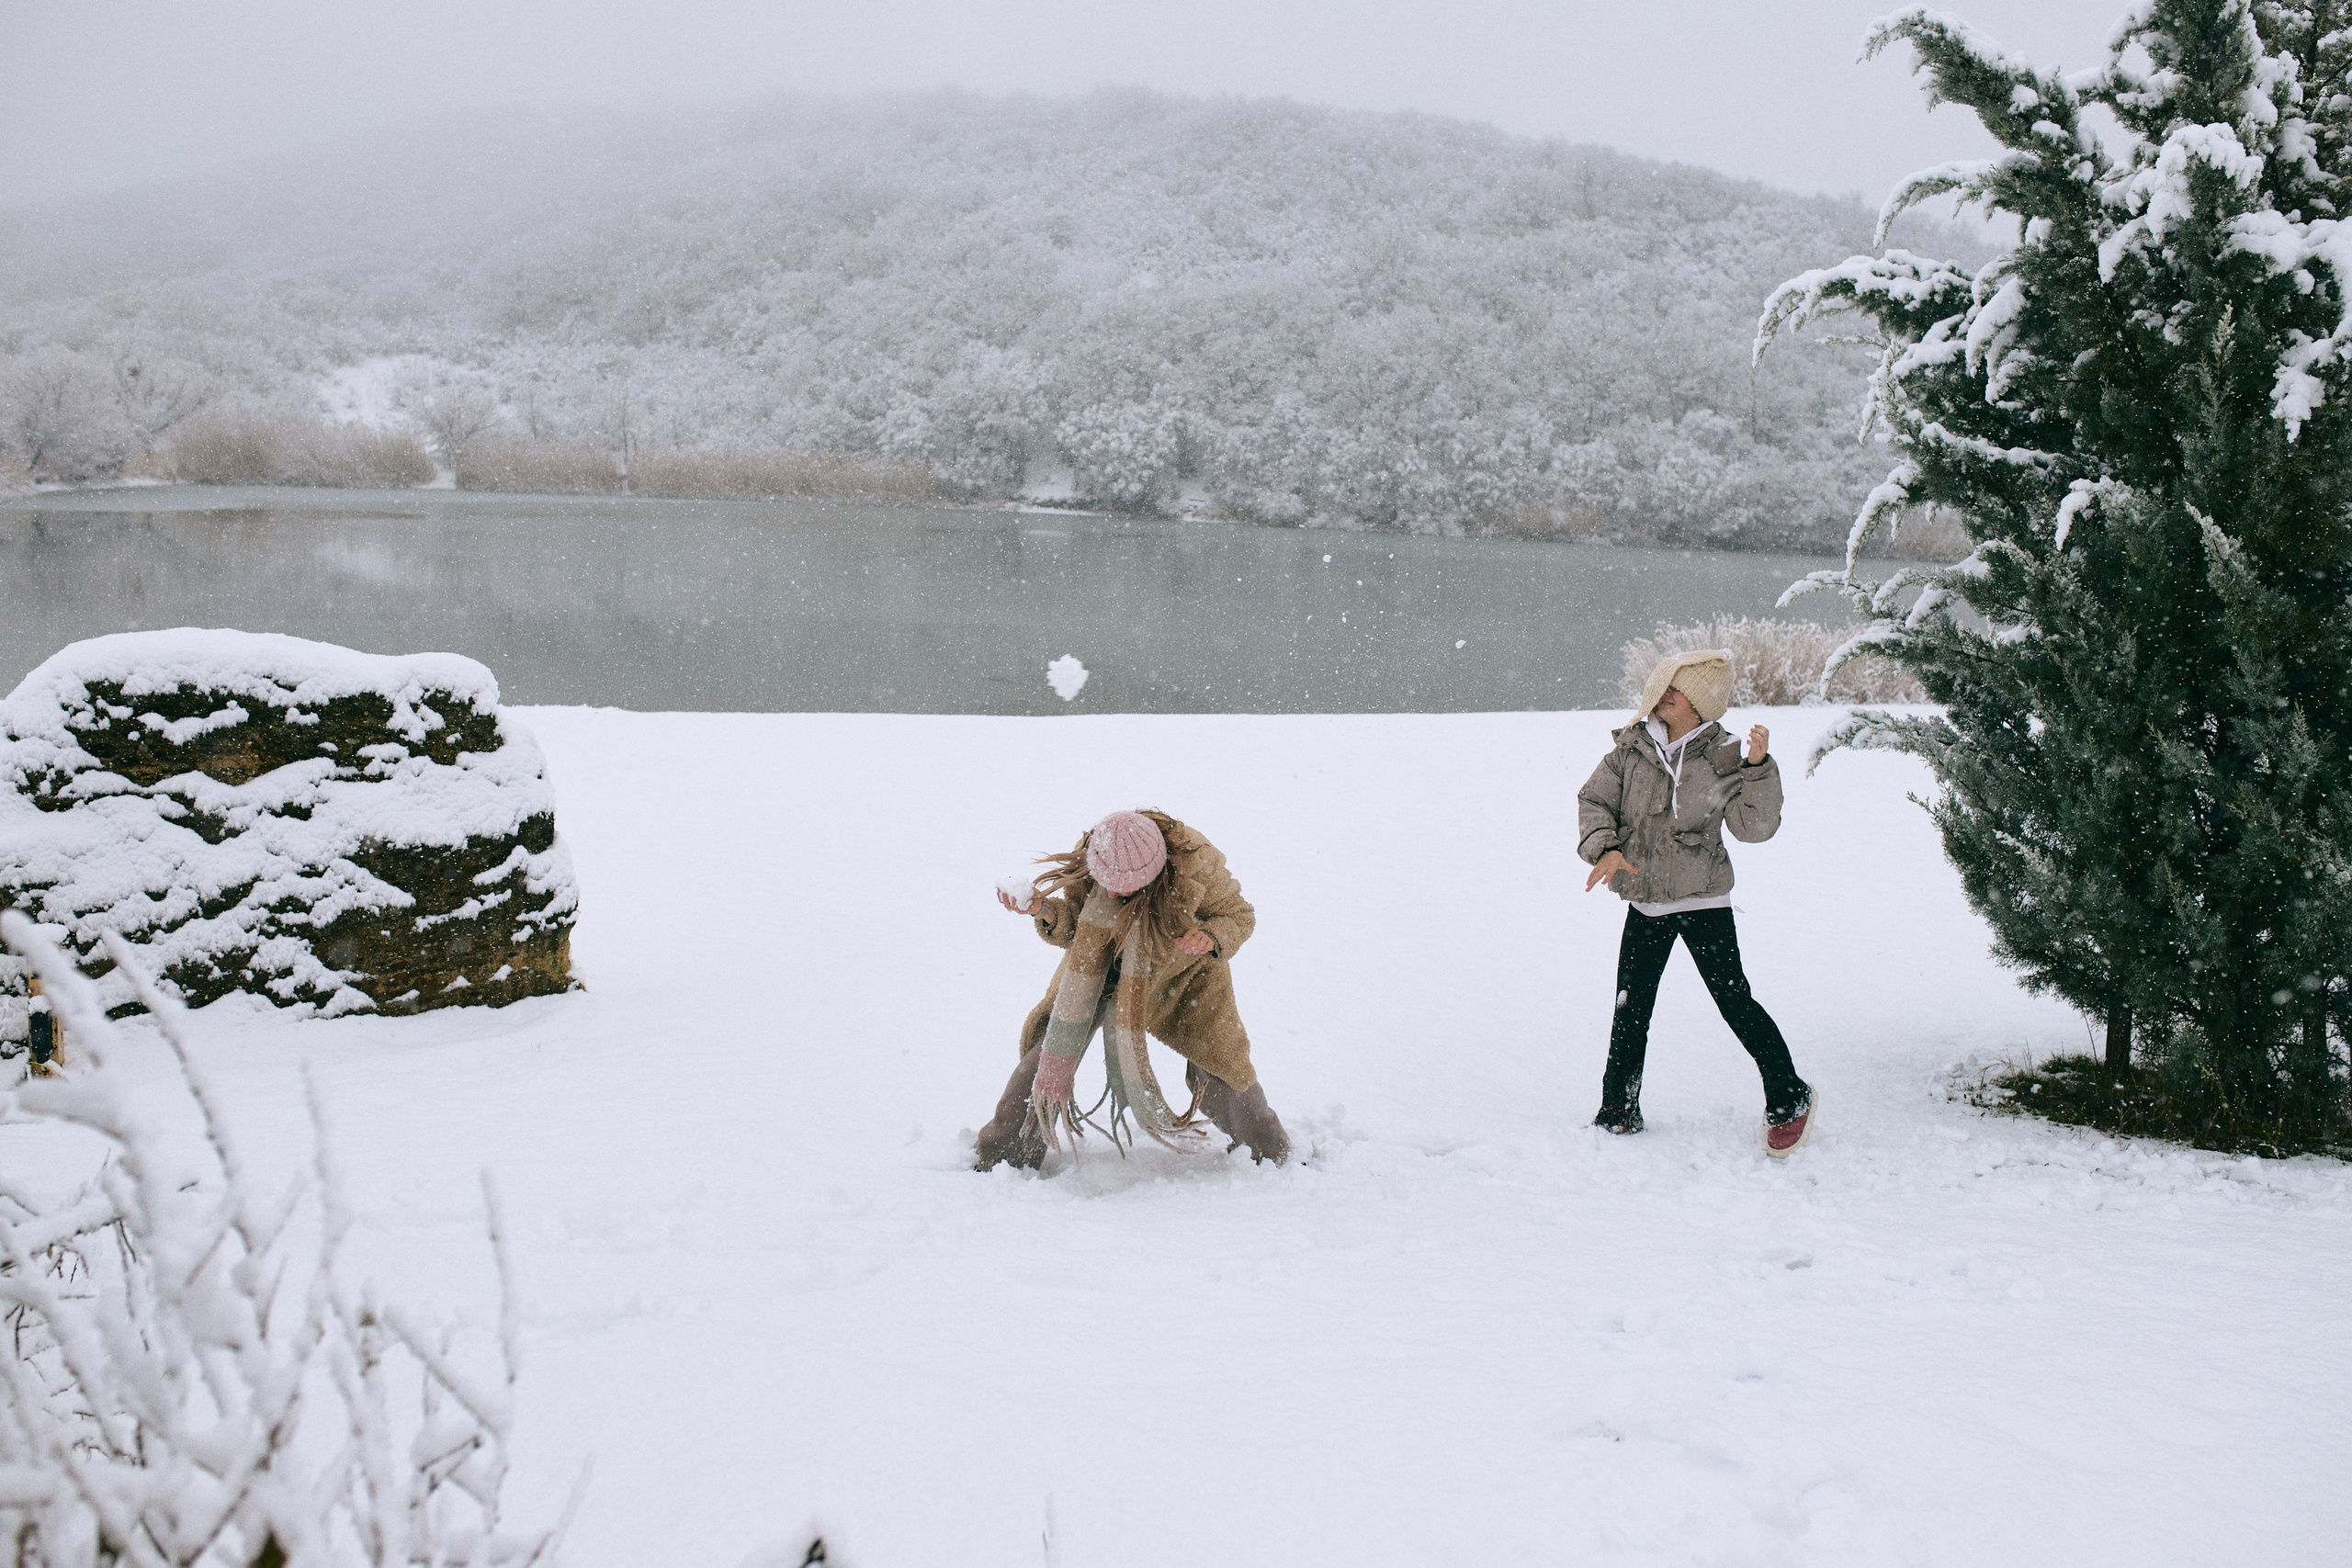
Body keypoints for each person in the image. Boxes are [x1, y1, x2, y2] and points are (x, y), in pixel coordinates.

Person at [1576, 649, 1815, 1156]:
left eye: (1674, 692)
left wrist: (1757, 769)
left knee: (1735, 1003)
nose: (1662, 697)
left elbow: (1755, 828)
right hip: (1645, 900)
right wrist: (1606, 847)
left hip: (1705, 899)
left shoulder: (1725, 754)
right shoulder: (1632, 747)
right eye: (1663, 688)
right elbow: (1594, 800)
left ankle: (1790, 1098)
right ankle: (1618, 1111)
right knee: (1630, 1009)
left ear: (1699, 703)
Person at [975, 808, 1291, 1170]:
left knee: (1223, 1062)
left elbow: (1239, 915)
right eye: (1102, 880)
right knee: (1047, 1060)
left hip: (1183, 976)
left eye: (1120, 885)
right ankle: (1000, 1158)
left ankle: (1270, 1155)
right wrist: (1044, 910)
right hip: (1097, 971)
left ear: (1152, 875)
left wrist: (1211, 937)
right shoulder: (1100, 848)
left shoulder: (1197, 862)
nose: (1108, 892)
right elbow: (1076, 924)